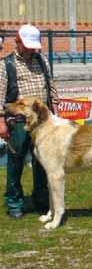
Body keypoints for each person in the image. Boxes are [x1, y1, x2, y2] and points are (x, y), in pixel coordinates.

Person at [0, 24, 60, 219]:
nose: (32, 49)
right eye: (28, 45)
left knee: (42, 163)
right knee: (15, 163)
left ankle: (41, 199)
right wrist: (1, 122)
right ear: (17, 41)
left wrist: (56, 113)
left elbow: (51, 88)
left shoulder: (42, 60)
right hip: (17, 121)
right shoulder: (5, 64)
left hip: (43, 122)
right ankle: (15, 202)